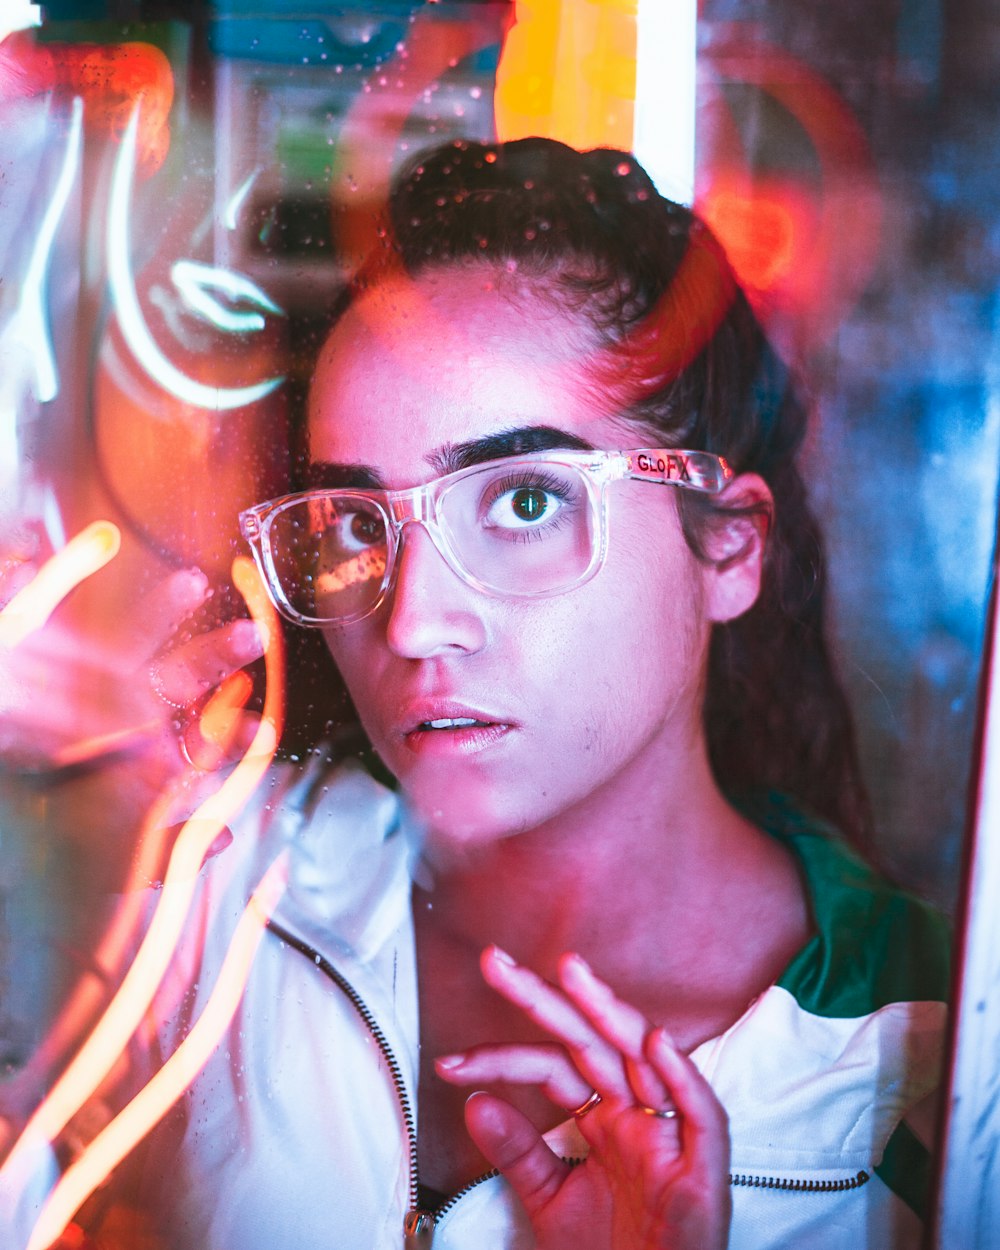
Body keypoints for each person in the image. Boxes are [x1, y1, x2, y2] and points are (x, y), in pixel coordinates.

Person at [4, 138, 948, 1250]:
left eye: (525, 502)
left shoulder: (923, 1070)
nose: (410, 621)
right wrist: (52, 872)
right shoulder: (210, 887)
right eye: (357, 524)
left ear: (727, 548)